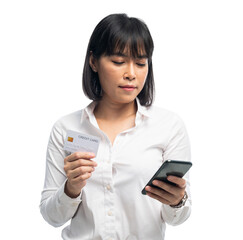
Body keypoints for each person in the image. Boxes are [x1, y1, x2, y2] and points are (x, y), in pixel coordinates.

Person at [40, 13, 192, 240]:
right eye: (119, 62)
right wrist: (71, 188)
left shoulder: (168, 126)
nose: (131, 73)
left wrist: (177, 201)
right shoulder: (66, 128)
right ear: (93, 61)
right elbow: (51, 217)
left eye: (141, 63)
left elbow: (177, 218)